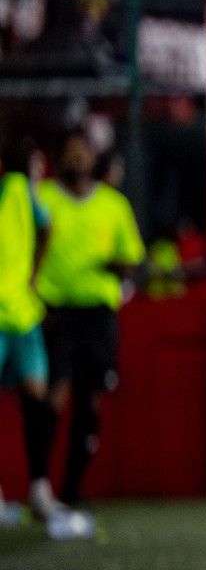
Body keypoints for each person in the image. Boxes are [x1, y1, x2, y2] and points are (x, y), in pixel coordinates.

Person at [25, 126, 144, 522]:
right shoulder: (41, 199)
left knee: (91, 400)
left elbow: (131, 258)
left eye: (84, 152)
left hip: (98, 313)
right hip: (55, 311)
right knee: (52, 395)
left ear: (95, 158)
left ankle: (73, 487)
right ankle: (39, 483)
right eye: (71, 152)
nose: (78, 159)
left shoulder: (113, 205)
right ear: (59, 157)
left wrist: (114, 265)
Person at [0, 136, 50, 527]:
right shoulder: (16, 187)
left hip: (21, 313)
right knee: (36, 396)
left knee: (36, 394)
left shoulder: (19, 191)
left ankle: (38, 487)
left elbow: (45, 225)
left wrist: (31, 273)